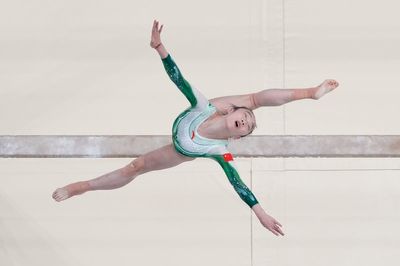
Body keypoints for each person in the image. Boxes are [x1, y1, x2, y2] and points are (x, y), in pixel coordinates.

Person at [52, 20, 339, 237]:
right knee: (254, 99)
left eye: (247, 127)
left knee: (136, 167)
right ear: (233, 113)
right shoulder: (206, 106)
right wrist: (159, 47)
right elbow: (179, 79)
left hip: (184, 149)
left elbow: (236, 182)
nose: (246, 121)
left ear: (238, 136)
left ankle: (83, 187)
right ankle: (310, 93)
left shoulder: (219, 150)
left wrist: (260, 213)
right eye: (245, 117)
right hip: (204, 115)